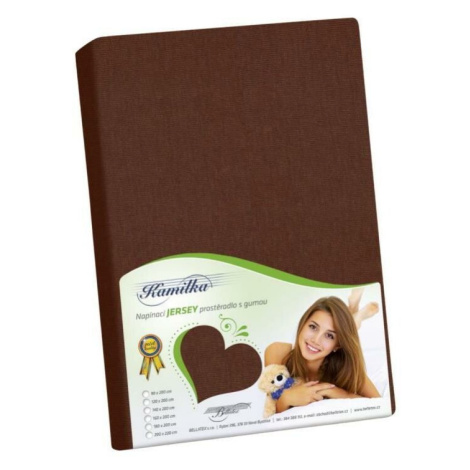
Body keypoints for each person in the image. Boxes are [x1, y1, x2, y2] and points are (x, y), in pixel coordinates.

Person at [264, 288, 380, 413]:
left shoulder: (345, 366)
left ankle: (355, 315)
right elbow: (272, 408)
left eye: (329, 335)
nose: (316, 340)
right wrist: (287, 398)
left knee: (346, 330)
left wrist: (336, 392)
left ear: (337, 345)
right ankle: (355, 316)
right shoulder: (277, 352)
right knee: (347, 326)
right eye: (313, 327)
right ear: (303, 324)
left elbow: (378, 403)